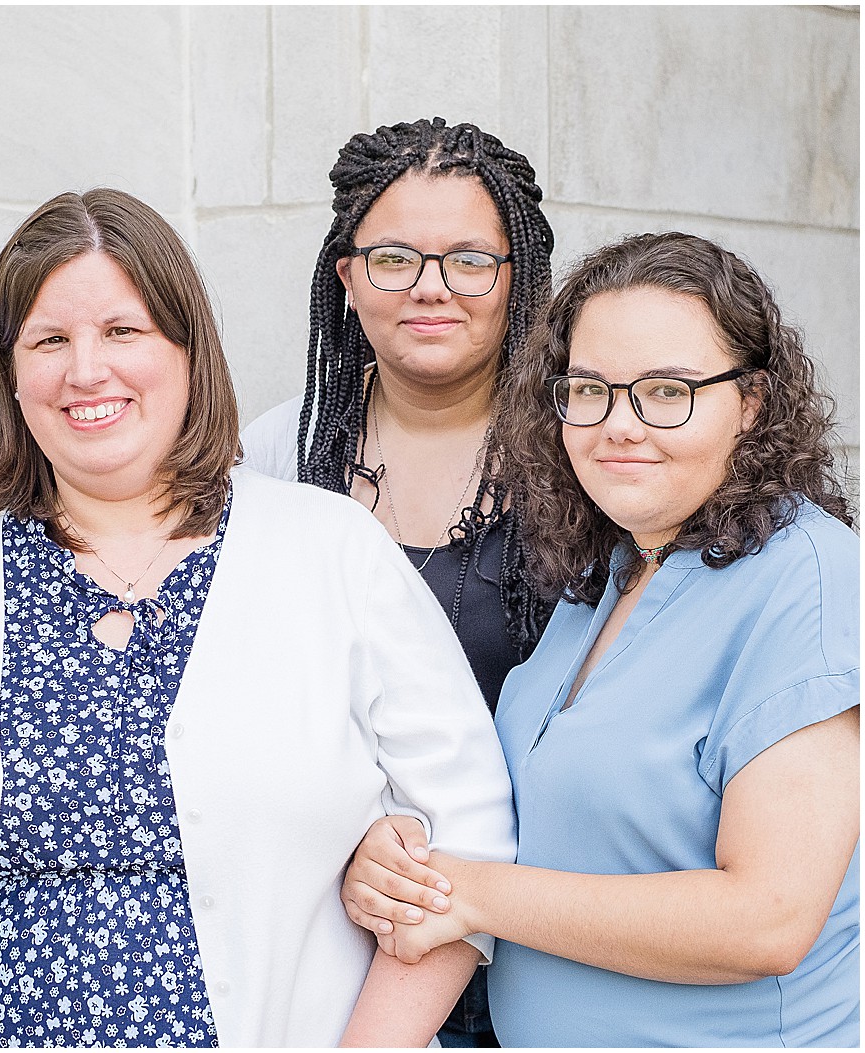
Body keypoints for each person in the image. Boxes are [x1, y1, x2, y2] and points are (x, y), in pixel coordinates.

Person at [0, 187, 519, 1047]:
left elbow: (467, 836)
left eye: (124, 332)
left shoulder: (331, 551)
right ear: (10, 373)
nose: (87, 370)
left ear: (188, 349)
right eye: (50, 340)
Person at [342, 232, 859, 1046]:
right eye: (589, 389)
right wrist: (396, 852)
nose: (620, 425)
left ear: (752, 400)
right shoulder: (614, 567)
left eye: (666, 391)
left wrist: (470, 893)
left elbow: (768, 917)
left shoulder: (808, 578)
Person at [242, 116, 555, 1044]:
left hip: (542, 944)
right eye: (393, 258)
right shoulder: (274, 455)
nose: (430, 288)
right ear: (346, 276)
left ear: (518, 276)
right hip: (341, 947)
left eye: (469, 259)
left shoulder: (585, 458)